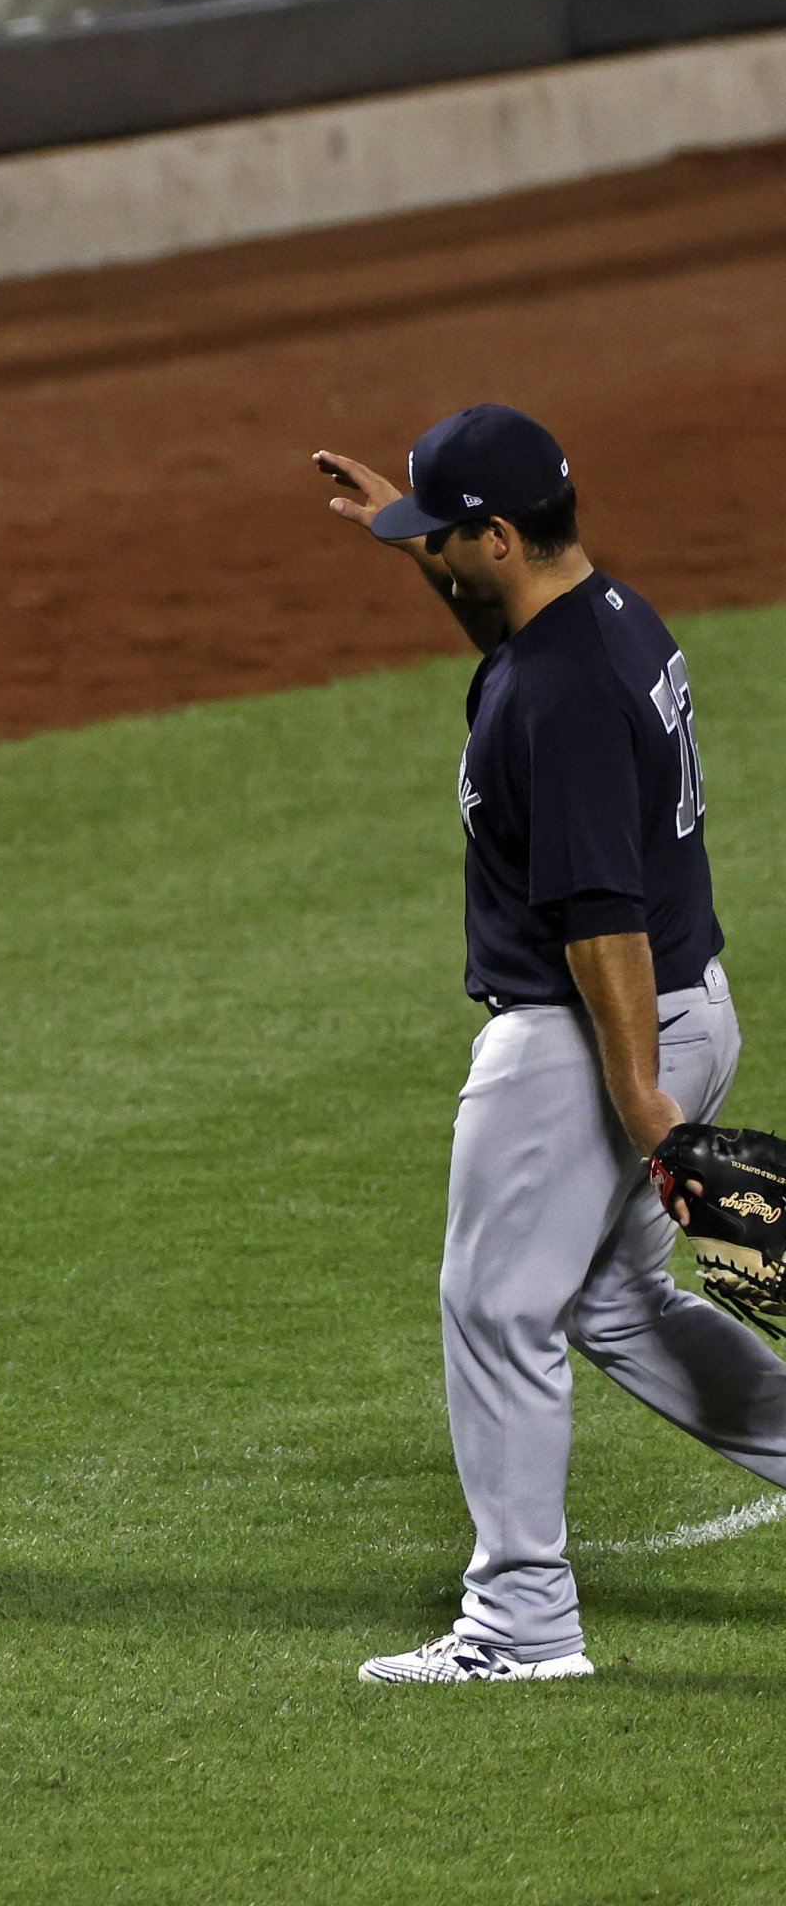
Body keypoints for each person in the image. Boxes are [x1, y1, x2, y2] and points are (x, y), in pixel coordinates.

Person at [318, 406, 786, 1684]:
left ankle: (518, 1623)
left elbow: (598, 915)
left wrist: (640, 1109)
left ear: (499, 534)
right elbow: (501, 626)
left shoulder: (559, 693)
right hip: (693, 1003)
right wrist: (402, 534)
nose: (435, 555)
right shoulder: (606, 615)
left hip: (583, 1035)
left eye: (444, 536)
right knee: (615, 1303)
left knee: (492, 1301)